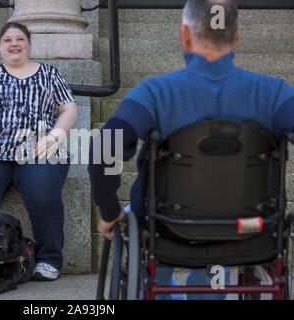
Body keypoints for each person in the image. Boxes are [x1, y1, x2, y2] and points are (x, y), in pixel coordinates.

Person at [88, 0, 293, 300]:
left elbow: (103, 150)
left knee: (135, 213)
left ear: (185, 35)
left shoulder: (154, 92)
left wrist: (109, 212)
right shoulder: (275, 93)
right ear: (236, 38)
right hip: (251, 230)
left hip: (167, 231)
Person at [0, 22, 78, 282]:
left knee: (43, 192)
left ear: (29, 44)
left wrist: (55, 137)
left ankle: (48, 260)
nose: (14, 44)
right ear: (0, 47)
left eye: (20, 39)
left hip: (38, 150)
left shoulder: (50, 74)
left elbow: (69, 109)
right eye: (7, 40)